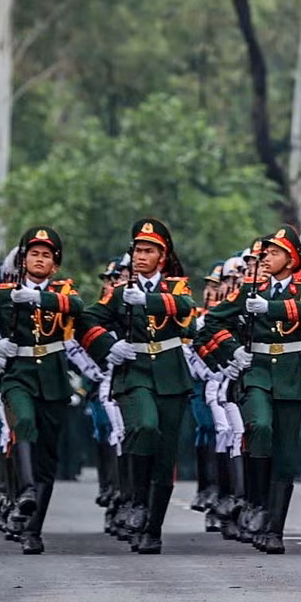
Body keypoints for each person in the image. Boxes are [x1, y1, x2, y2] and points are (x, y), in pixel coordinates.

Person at [0, 226, 89, 554]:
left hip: (54, 380)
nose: (40, 259)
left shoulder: (63, 290)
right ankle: (26, 491)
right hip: (18, 376)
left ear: (55, 264)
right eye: (34, 253)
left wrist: (37, 297)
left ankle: (33, 530)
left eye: (46, 255)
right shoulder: (5, 294)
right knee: (24, 423)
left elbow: (77, 306)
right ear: (23, 259)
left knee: (48, 457)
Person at [199, 226, 301, 555]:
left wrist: (271, 309)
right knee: (259, 427)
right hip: (256, 372)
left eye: (275, 252)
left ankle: (274, 527)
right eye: (265, 252)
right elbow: (214, 321)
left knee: (285, 455)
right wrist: (232, 350)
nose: (267, 257)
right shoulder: (251, 289)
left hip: (291, 377)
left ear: (291, 259)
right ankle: (254, 502)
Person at [77, 219, 196, 554]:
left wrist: (146, 301)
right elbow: (87, 321)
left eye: (148, 251)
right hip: (134, 374)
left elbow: (186, 309)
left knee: (165, 454)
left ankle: (152, 528)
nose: (141, 256)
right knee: (144, 426)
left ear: (162, 255)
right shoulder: (119, 293)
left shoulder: (176, 288)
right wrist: (108, 346)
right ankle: (134, 500)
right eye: (137, 250)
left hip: (171, 376)